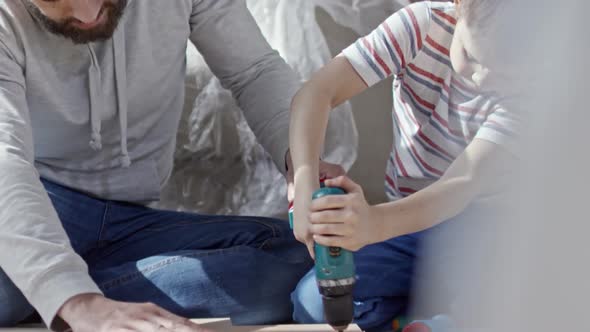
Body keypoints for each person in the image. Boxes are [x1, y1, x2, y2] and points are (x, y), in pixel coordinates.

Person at [0, 0, 346, 331]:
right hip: (34, 201)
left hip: (132, 222)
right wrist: (78, 303)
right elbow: (5, 159)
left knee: (300, 257)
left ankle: (48, 287)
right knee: (7, 286)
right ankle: (54, 290)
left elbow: (254, 71)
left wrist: (300, 167)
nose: (89, 12)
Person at [289, 1, 519, 331]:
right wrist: (305, 182)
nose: (482, 80)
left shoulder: (536, 87)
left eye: (505, 73)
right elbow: (317, 92)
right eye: (473, 57)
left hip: (485, 232)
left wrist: (372, 224)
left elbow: (463, 182)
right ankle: (428, 311)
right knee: (312, 305)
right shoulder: (424, 23)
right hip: (407, 225)